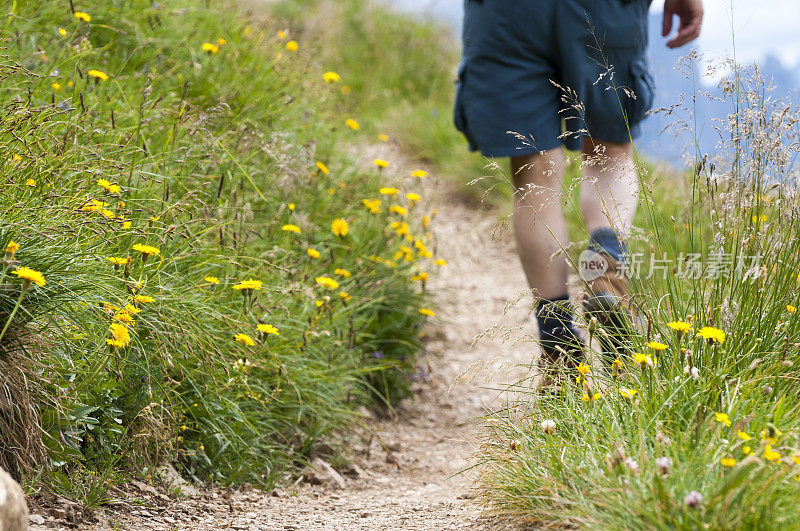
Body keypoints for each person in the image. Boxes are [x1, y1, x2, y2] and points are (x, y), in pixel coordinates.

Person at [454, 0, 703, 366]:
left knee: (535, 175)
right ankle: (607, 268)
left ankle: (560, 353)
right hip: (602, 8)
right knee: (608, 150)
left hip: (507, 13)